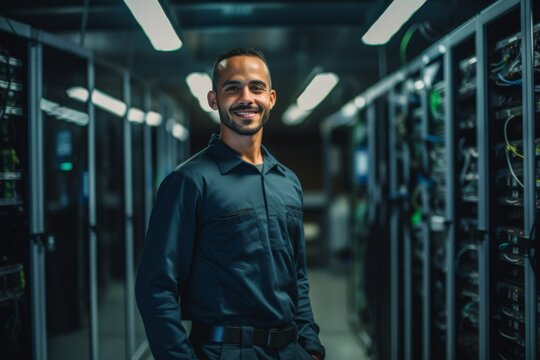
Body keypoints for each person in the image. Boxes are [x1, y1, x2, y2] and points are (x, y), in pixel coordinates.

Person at [135, 47, 325, 360]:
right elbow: (155, 287)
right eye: (232, 88)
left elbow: (298, 277)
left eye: (257, 87)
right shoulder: (188, 182)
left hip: (292, 351)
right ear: (214, 99)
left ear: (271, 99)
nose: (246, 98)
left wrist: (311, 347)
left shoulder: (288, 181)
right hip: (226, 351)